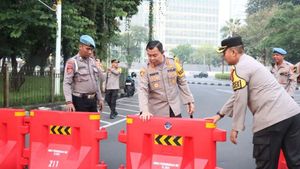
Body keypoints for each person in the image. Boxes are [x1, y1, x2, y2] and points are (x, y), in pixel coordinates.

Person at [209, 36, 300, 169]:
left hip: (271, 120)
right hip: (293, 115)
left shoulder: (239, 68)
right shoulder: (251, 61)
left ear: (233, 52)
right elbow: (238, 95)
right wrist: (220, 114)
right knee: (296, 163)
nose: (223, 56)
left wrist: (236, 127)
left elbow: (241, 98)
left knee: (265, 165)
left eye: (224, 53)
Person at [139, 40, 195, 121]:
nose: (151, 58)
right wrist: (144, 111)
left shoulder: (174, 64)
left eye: (155, 55)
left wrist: (190, 101)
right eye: (149, 55)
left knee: (176, 133)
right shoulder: (145, 69)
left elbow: (182, 82)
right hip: (156, 113)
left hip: (174, 110)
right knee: (157, 134)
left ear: (162, 52)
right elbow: (142, 90)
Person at [63, 35, 104, 112]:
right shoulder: (72, 62)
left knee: (93, 123)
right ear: (80, 47)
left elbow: (96, 82)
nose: (90, 52)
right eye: (87, 49)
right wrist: (69, 102)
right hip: (79, 101)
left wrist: (100, 98)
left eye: (91, 50)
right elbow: (67, 83)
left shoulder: (92, 62)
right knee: (81, 124)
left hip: (93, 101)